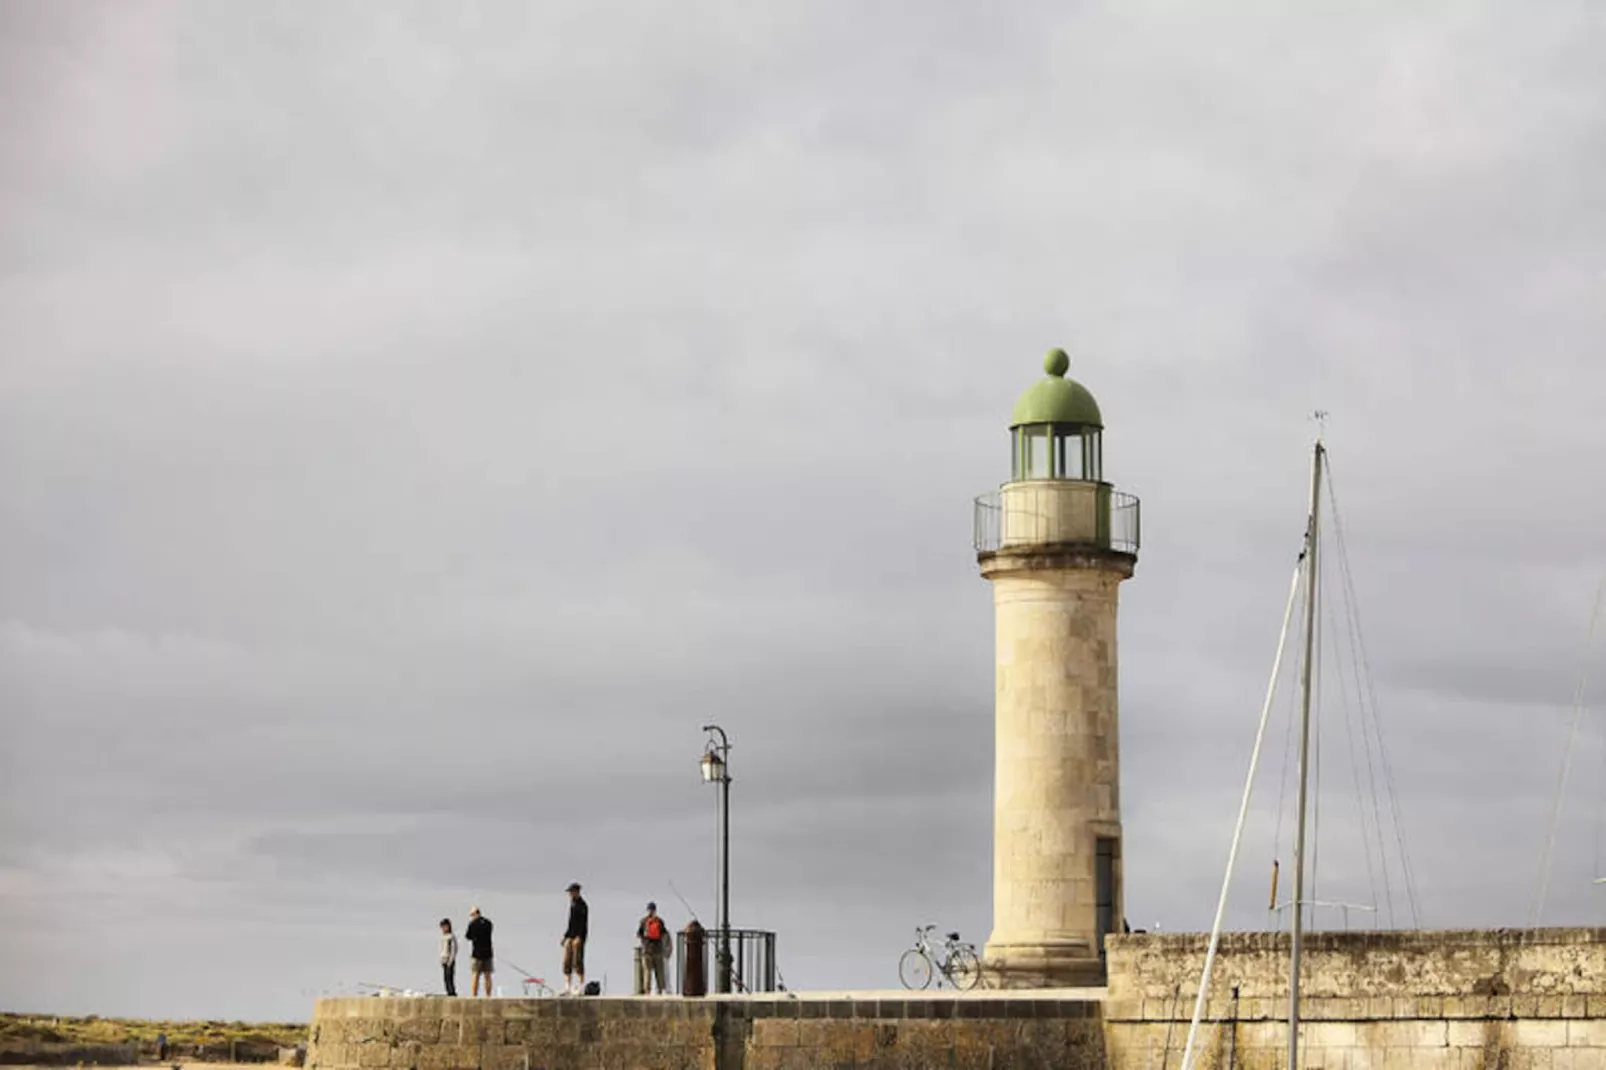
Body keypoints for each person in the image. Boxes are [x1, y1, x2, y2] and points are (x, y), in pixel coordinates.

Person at [636, 901, 672, 995]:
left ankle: (647, 991)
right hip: (658, 950)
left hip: (647, 951)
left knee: (647, 972)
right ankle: (660, 991)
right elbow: (664, 934)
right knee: (659, 972)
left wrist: (644, 940)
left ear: (648, 910)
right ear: (655, 910)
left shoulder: (643, 921)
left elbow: (638, 934)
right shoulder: (660, 921)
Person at [561, 882, 588, 995]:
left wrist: (580, 937)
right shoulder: (572, 904)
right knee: (567, 961)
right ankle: (567, 986)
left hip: (579, 937)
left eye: (571, 892)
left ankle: (580, 986)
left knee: (577, 961)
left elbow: (582, 924)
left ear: (576, 892)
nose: (570, 894)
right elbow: (571, 923)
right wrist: (566, 936)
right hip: (571, 936)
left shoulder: (583, 905)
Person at [465, 906, 494, 997]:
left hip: (477, 953)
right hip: (488, 952)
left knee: (475, 975)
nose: (472, 917)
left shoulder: (472, 924)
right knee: (487, 975)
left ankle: (474, 995)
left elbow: (468, 936)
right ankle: (488, 995)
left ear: (476, 913)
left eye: (472, 915)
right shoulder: (488, 923)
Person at [439, 918, 458, 996]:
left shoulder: (451, 937)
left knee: (450, 977)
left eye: (444, 927)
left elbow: (454, 949)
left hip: (449, 960)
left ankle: (452, 992)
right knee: (445, 978)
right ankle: (447, 991)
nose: (443, 929)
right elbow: (442, 949)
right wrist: (441, 959)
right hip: (444, 960)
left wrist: (450, 960)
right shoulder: (443, 937)